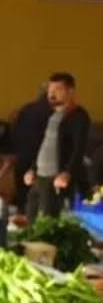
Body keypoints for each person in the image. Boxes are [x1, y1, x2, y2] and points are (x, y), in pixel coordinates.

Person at [24, 72, 91, 220]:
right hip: (39, 176)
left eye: (57, 89)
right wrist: (33, 168)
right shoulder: (51, 115)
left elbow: (78, 148)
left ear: (70, 91)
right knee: (30, 215)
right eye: (50, 90)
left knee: (46, 221)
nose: (51, 94)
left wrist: (67, 173)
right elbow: (44, 145)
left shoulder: (79, 116)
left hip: (54, 178)